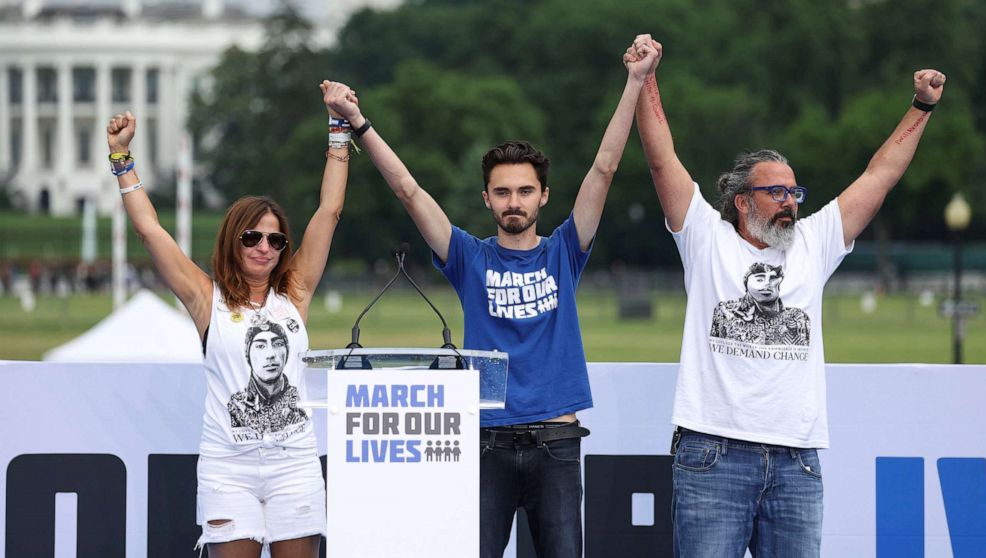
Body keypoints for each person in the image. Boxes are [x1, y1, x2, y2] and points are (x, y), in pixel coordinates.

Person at [326, 40, 661, 558]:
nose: (514, 202)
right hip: (485, 441)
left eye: (525, 191)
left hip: (557, 442)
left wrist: (635, 82)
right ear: (486, 198)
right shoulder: (467, 257)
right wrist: (358, 122)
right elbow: (409, 191)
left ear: (543, 196)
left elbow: (604, 168)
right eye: (502, 192)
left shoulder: (564, 252)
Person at [629, 33, 945, 557]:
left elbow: (880, 175)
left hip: (797, 461)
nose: (789, 203)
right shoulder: (705, 238)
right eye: (775, 191)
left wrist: (922, 107)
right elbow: (663, 162)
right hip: (713, 454)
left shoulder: (815, 243)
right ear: (738, 201)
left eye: (794, 192)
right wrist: (647, 79)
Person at [106, 80, 355, 558]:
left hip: (295, 465)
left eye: (276, 240)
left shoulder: (295, 292)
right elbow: (149, 230)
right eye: (252, 237)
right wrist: (121, 158)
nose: (264, 247)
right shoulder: (206, 299)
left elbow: (330, 210)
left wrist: (338, 127)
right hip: (228, 468)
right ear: (233, 241)